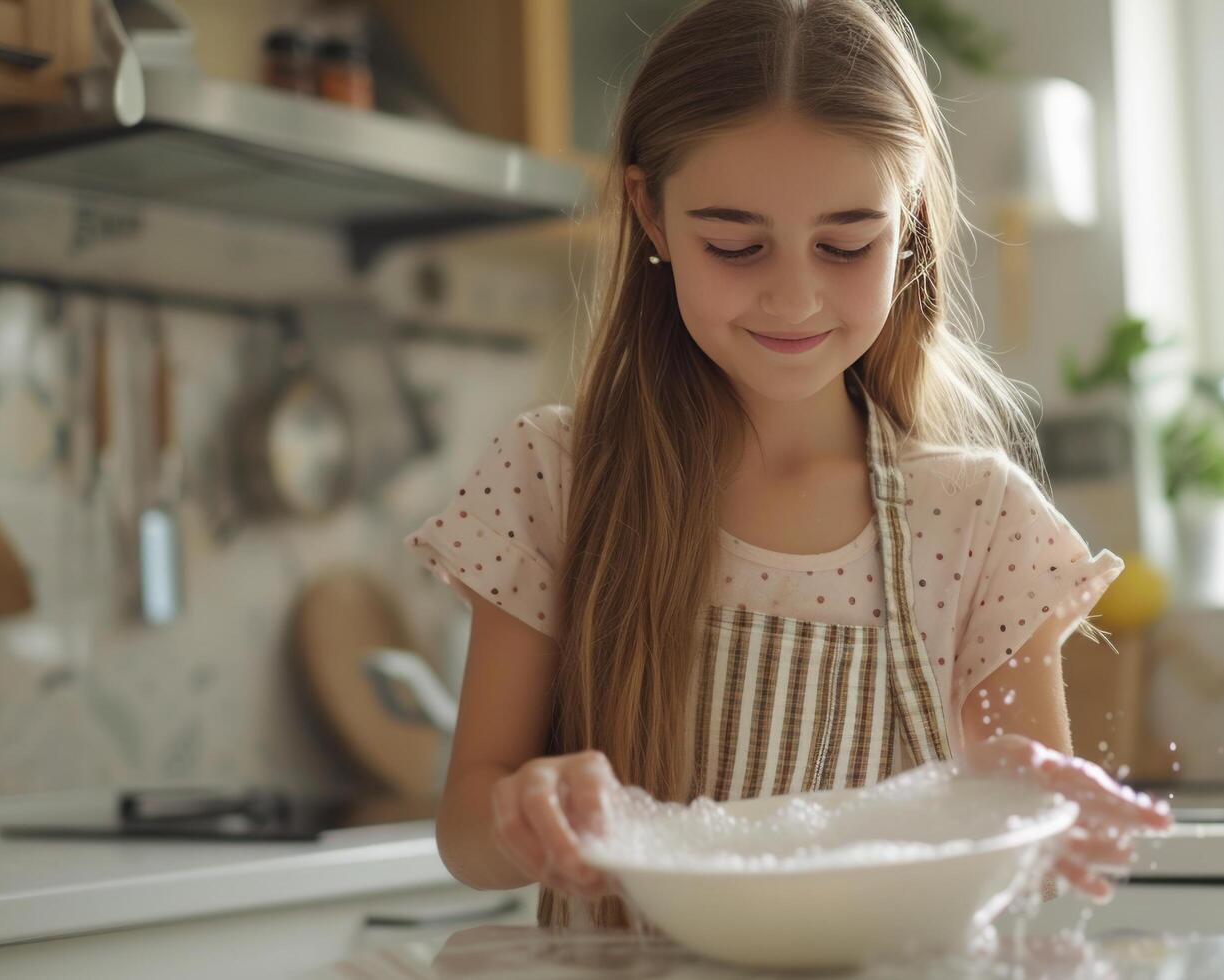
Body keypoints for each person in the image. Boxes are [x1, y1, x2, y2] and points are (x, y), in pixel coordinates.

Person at [405, 0, 1171, 931]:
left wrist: (1033, 816)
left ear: (913, 219)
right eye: (734, 244)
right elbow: (465, 836)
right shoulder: (555, 477)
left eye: (847, 245)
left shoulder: (978, 519)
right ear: (648, 211)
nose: (795, 294)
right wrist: (521, 812)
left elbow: (1037, 861)